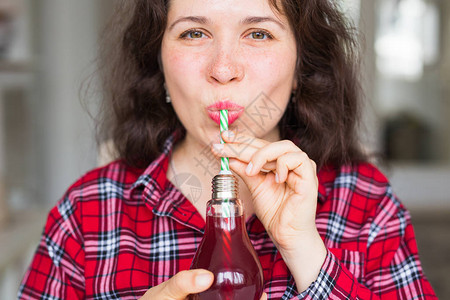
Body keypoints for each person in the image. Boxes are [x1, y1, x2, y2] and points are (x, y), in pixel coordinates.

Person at [18, 0, 437, 299]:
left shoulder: (366, 203)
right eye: (194, 33)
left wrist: (305, 251)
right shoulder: (86, 213)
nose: (223, 69)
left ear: (299, 71)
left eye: (258, 33)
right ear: (159, 65)